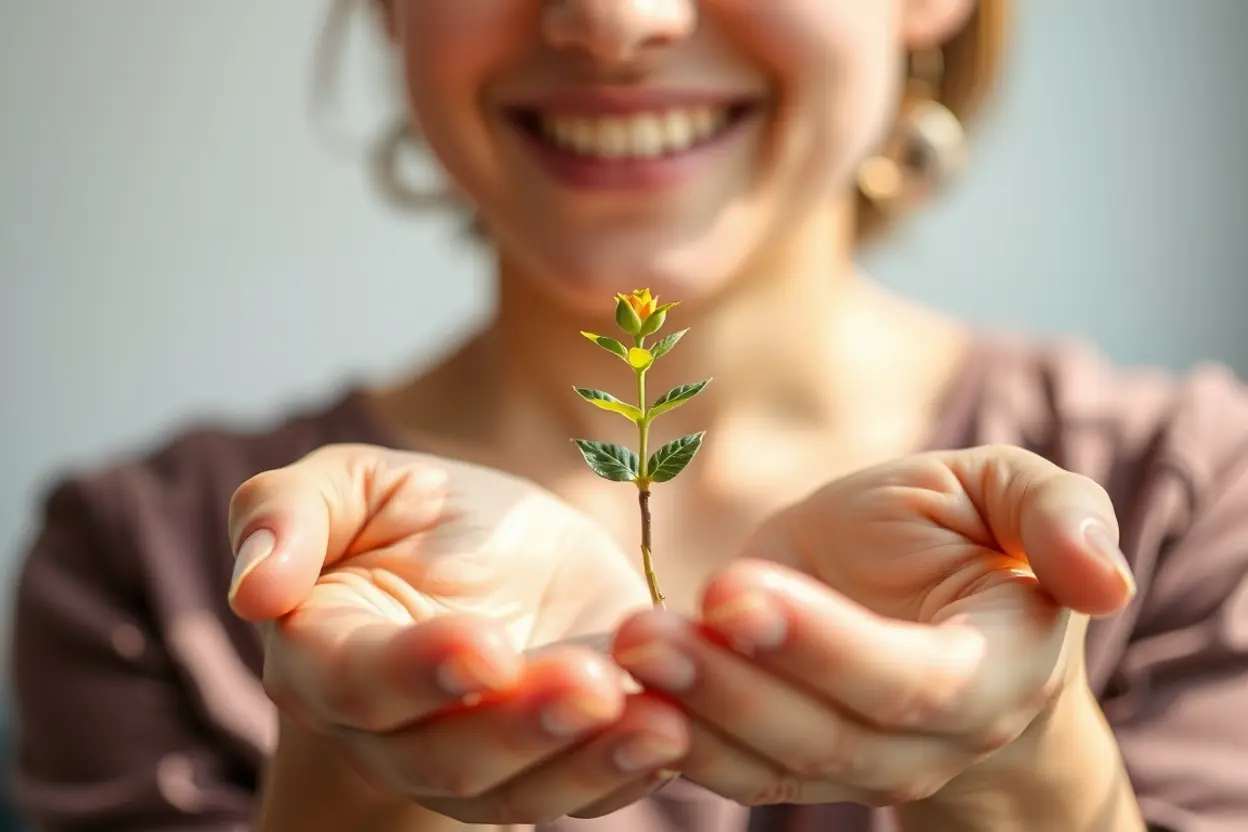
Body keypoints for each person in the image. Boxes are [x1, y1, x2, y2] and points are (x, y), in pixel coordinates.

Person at [8, 0, 1248, 830]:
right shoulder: (156, 570)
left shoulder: (1185, 499)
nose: (612, 19)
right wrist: (358, 783)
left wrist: (1033, 779)